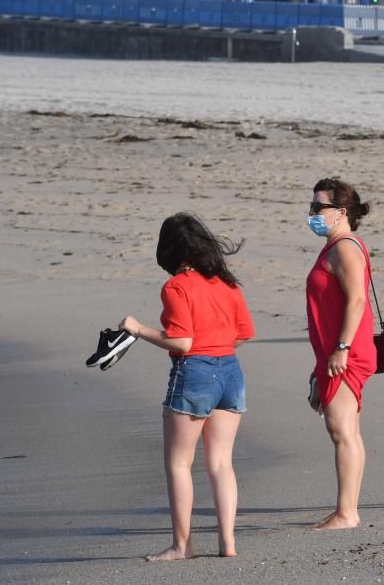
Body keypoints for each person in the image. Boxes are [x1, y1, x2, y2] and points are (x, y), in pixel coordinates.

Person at [118, 213, 254, 561]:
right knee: (221, 463)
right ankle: (228, 543)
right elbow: (244, 333)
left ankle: (182, 546)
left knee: (179, 465)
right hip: (231, 373)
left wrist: (137, 328)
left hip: (194, 372)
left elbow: (181, 342)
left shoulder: (177, 286)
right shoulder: (228, 283)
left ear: (169, 249)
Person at [305, 178, 376, 530]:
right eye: (312, 206)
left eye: (319, 207)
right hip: (335, 351)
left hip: (346, 352)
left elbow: (357, 301)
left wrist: (341, 349)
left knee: (341, 430)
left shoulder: (345, 247)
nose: (312, 213)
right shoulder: (333, 246)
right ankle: (347, 509)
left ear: (340, 212)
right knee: (348, 430)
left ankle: (347, 513)